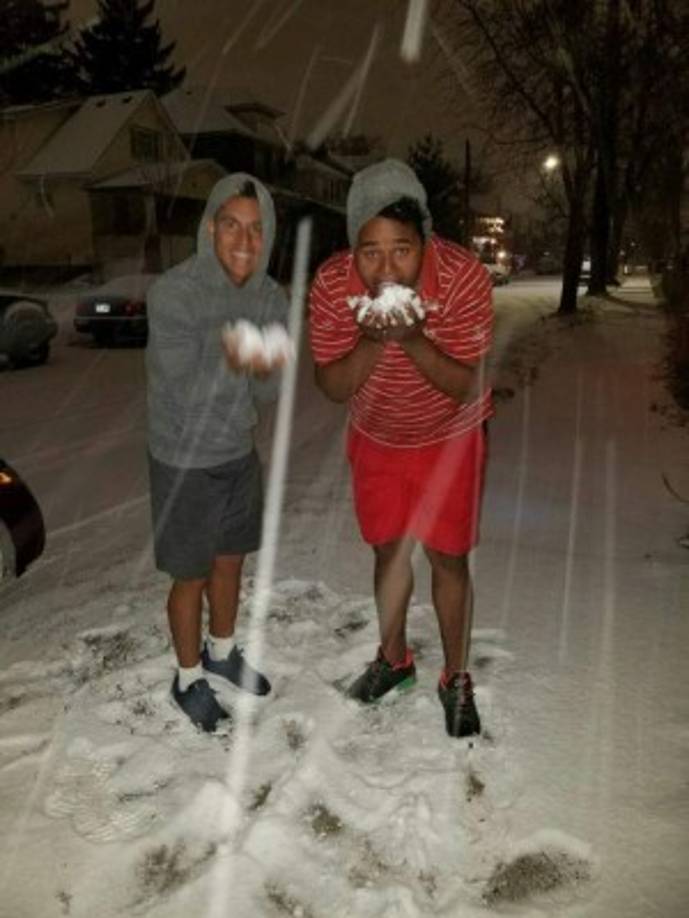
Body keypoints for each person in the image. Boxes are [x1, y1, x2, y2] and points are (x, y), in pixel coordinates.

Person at [309, 159, 493, 738]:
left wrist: (411, 338)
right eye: (371, 252)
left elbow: (471, 384)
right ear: (352, 250)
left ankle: (455, 678)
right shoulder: (333, 285)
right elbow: (333, 384)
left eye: (402, 250)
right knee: (388, 555)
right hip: (378, 439)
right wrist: (371, 338)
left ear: (426, 241)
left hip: (450, 437)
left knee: (447, 559)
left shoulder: (462, 276)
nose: (386, 269)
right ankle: (394, 661)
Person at [146, 174, 288, 732]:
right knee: (191, 575)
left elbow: (268, 390)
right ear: (210, 228)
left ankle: (221, 650)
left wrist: (262, 360)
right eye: (231, 225)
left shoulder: (271, 296)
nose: (244, 241)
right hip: (183, 459)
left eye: (256, 229)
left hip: (237, 452)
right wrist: (240, 347)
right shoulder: (174, 292)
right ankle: (186, 678)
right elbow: (181, 383)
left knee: (231, 560)